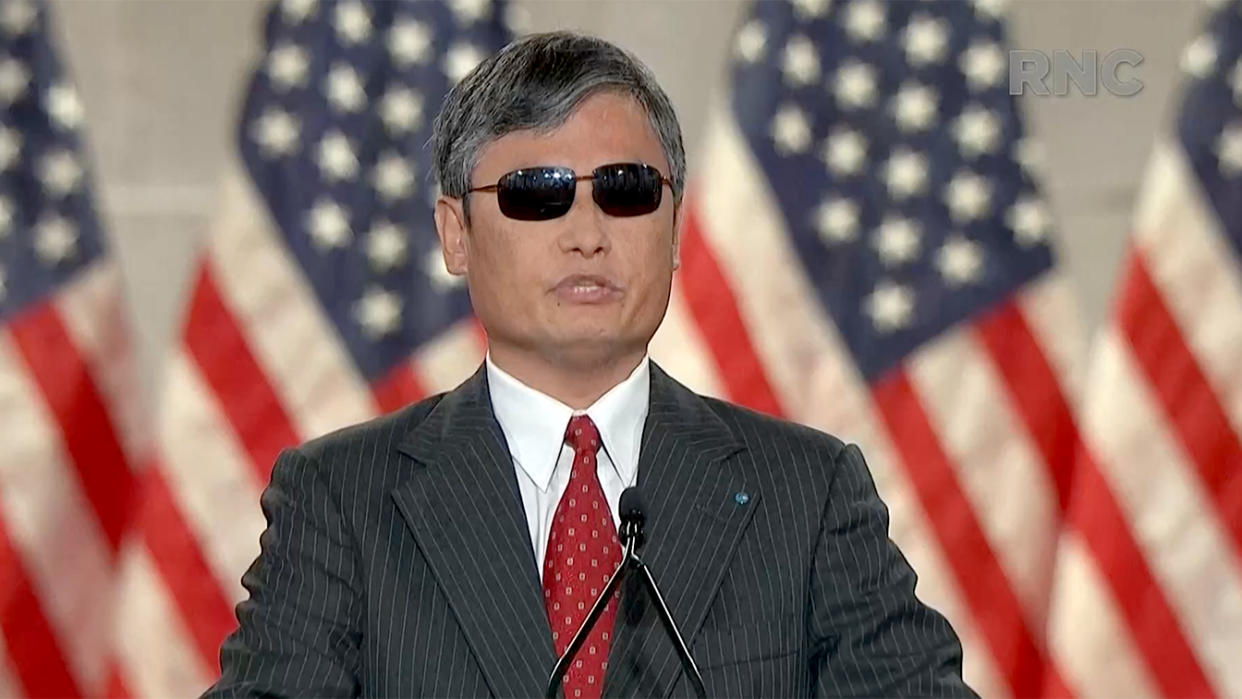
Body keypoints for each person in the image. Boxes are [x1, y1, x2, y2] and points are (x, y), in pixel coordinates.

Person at [205, 31, 974, 699]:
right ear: (455, 234)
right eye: (536, 195)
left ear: (674, 229)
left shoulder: (808, 495)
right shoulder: (341, 500)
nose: (587, 232)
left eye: (626, 191)